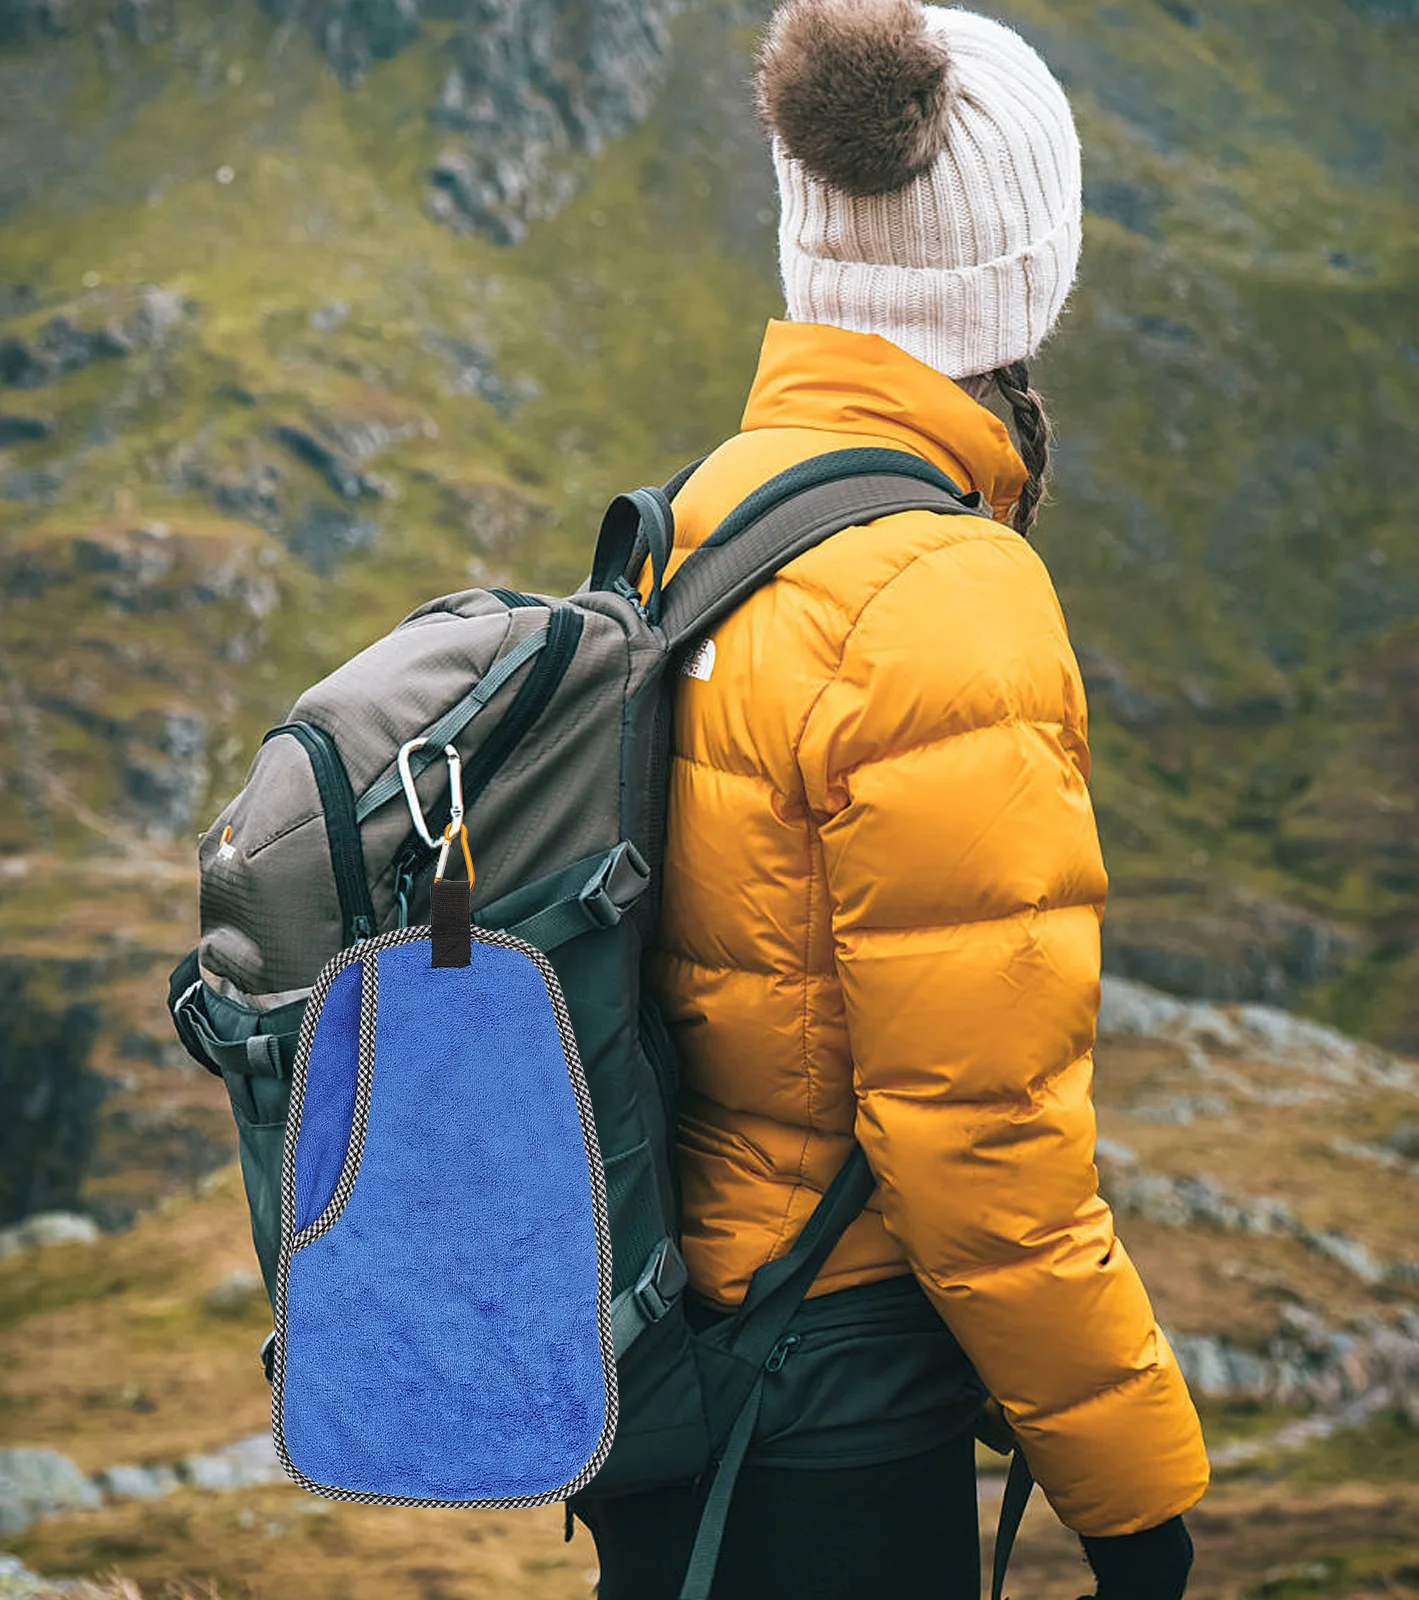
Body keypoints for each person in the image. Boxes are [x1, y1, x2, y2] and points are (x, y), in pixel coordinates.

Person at [575, 2, 1210, 1595]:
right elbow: (975, 1128)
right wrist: (1134, 1502)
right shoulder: (943, 597)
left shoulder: (707, 511)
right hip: (830, 1406)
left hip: (668, 1358)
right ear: (1022, 276)